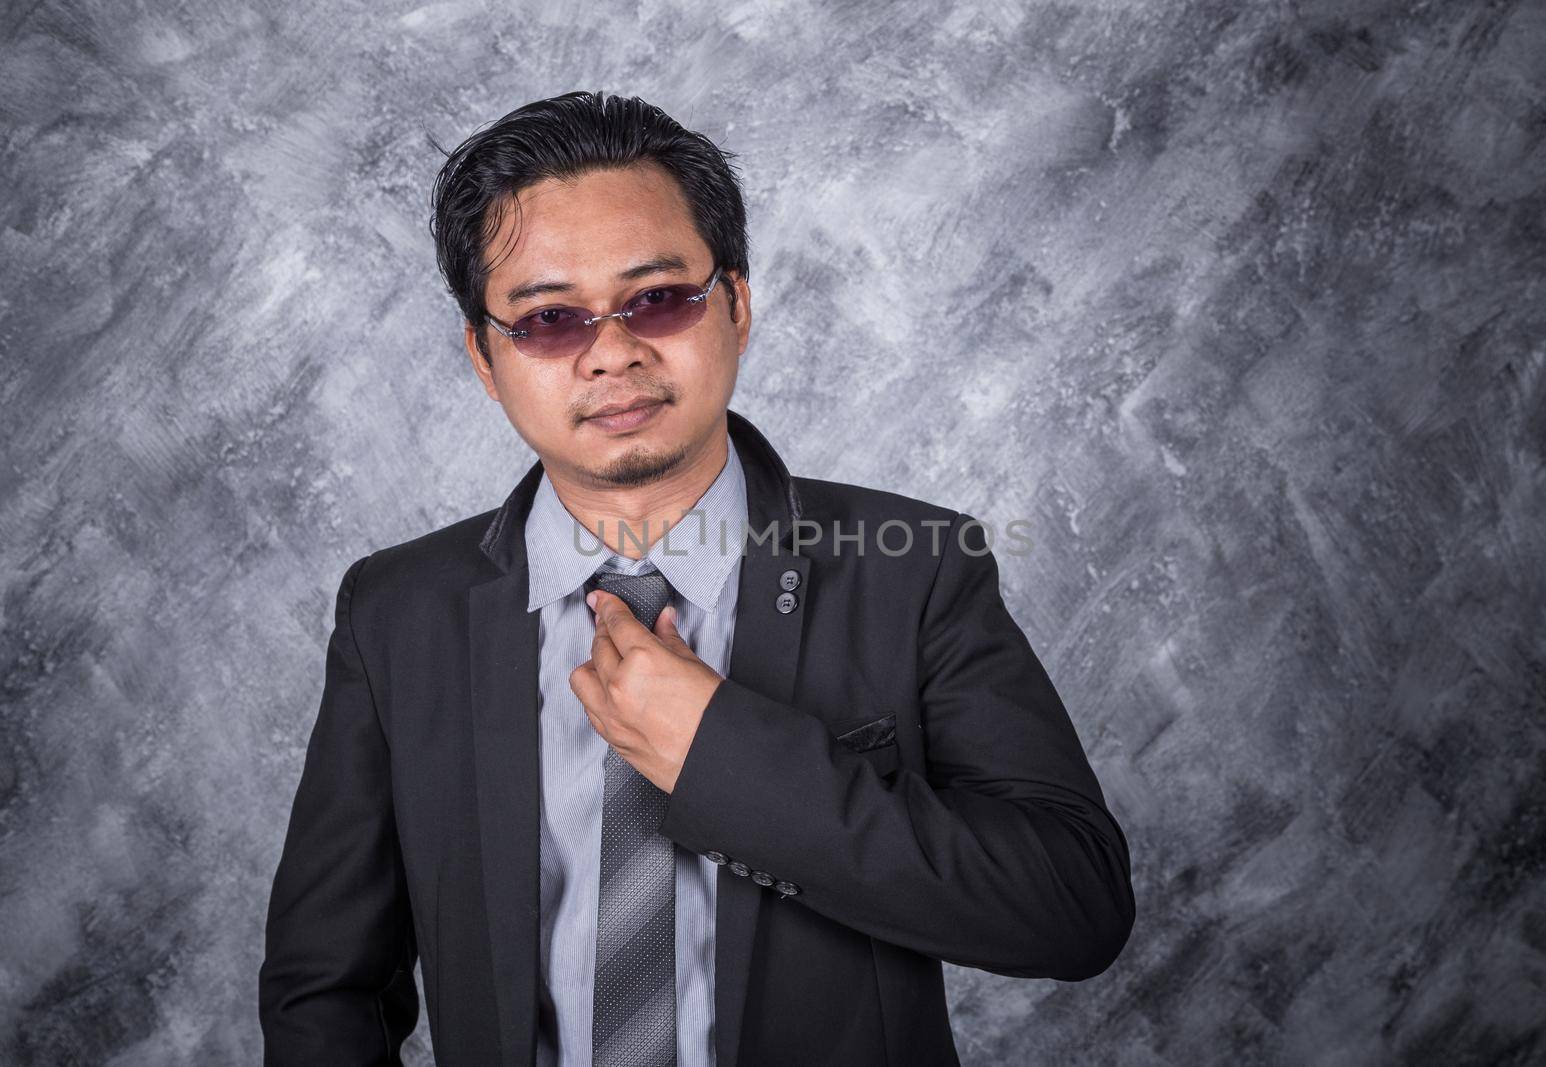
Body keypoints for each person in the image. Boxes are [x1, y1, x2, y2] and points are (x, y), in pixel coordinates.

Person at [259, 89, 1135, 1067]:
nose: (612, 352)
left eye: (659, 298)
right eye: (550, 320)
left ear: (737, 305)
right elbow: (323, 983)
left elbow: (1074, 908)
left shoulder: (915, 568)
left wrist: (721, 749)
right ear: (484, 356)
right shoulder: (397, 613)